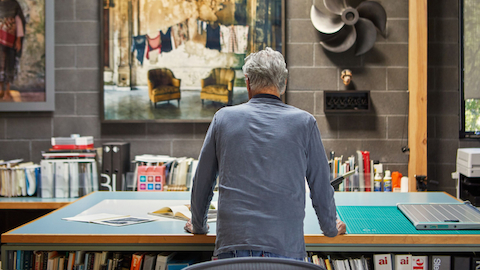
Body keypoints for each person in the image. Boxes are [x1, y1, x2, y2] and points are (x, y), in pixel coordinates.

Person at [185, 47, 346, 260]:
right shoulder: (305, 123)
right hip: (286, 253)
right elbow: (320, 186)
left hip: (232, 252)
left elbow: (202, 181)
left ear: (248, 82)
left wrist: (198, 225)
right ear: (283, 84)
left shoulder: (222, 119)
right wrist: (330, 227)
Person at [0, 0, 25, 101]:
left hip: (11, 40)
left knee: (9, 64)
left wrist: (18, 40)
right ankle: (1, 90)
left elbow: (19, 22)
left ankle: (7, 91)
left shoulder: (14, 4)